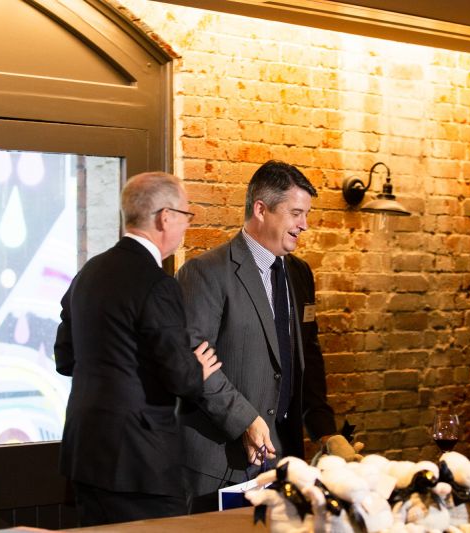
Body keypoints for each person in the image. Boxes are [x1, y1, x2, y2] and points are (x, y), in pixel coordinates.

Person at [54, 171, 221, 526]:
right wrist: (198, 369)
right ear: (165, 217)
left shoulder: (88, 273)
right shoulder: (157, 284)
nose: (187, 225)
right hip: (139, 460)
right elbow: (181, 378)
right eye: (186, 215)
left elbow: (65, 359)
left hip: (85, 453)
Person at [176, 160, 337, 512]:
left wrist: (325, 430)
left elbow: (307, 356)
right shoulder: (205, 273)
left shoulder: (300, 273)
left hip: (284, 461)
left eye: (306, 214)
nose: (304, 225)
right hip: (223, 463)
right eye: (296, 213)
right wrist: (245, 421)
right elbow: (194, 366)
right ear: (261, 210)